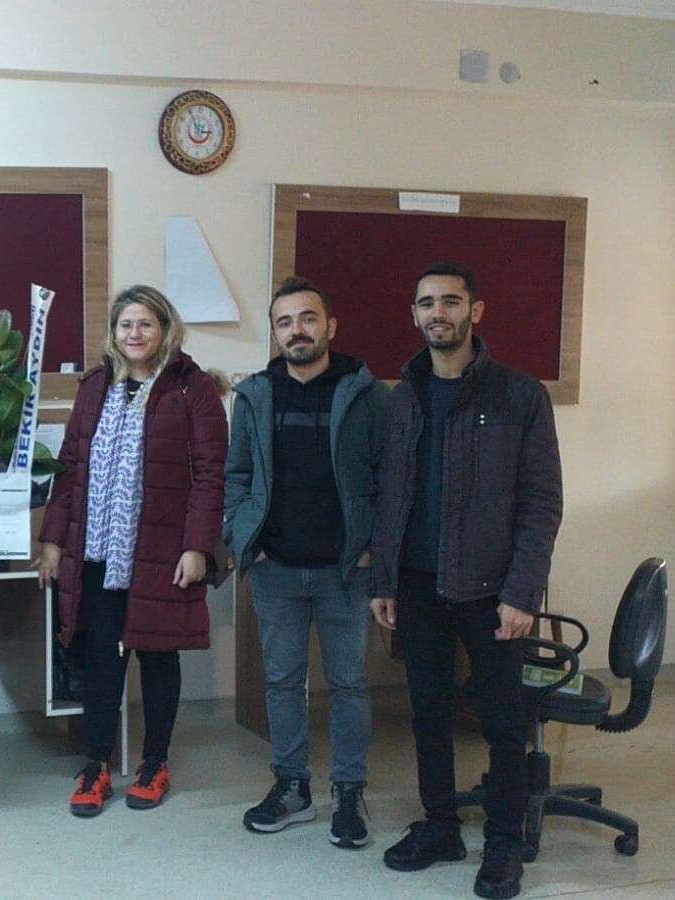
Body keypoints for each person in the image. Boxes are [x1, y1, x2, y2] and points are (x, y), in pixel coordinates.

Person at [370, 262, 562, 900]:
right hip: (418, 586)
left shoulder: (518, 396)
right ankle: (440, 826)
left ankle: (504, 842)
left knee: (502, 723)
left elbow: (541, 502)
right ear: (415, 314)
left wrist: (522, 592)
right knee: (427, 713)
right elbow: (391, 495)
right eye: (427, 303)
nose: (438, 313)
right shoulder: (404, 396)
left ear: (475, 312)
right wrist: (385, 579)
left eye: (451, 301)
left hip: (492, 591)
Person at [37, 284, 227, 817]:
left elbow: (210, 476)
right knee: (101, 659)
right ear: (113, 332)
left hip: (163, 551)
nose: (135, 333)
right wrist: (52, 541)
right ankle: (95, 765)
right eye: (126, 324)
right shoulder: (95, 387)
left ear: (165, 329)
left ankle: (155, 762)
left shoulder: (192, 388)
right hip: (98, 552)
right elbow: (69, 471)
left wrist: (197, 547)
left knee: (159, 656)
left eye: (146, 323)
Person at [223, 276, 388, 848]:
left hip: (346, 570)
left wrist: (373, 547)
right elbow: (237, 475)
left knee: (349, 685)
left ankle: (349, 790)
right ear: (275, 332)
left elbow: (389, 479)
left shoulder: (367, 394)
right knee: (282, 683)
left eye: (308, 318)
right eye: (286, 322)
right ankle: (292, 786)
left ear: (330, 326)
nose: (298, 330)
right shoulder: (255, 396)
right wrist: (244, 537)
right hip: (277, 570)